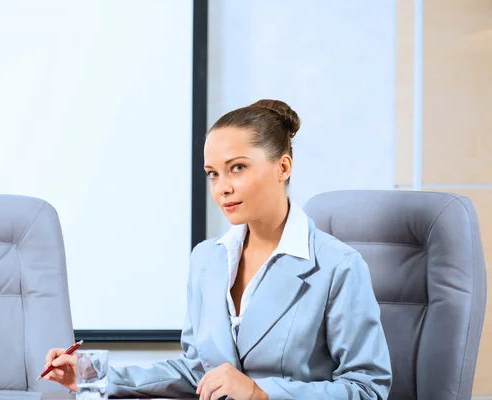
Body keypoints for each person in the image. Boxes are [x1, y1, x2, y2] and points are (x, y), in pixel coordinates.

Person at [43, 99, 393, 399]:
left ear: (282, 167)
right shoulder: (207, 259)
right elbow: (198, 372)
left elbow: (367, 388)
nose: (222, 188)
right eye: (213, 173)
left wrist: (261, 393)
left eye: (237, 168)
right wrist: (94, 376)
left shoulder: (338, 266)